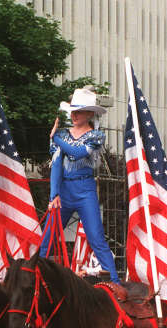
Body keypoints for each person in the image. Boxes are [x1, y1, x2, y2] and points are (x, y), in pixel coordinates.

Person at [39, 88, 119, 284]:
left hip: (85, 190)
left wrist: (55, 137)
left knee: (96, 238)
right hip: (64, 191)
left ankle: (115, 283)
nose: (74, 115)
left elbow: (77, 153)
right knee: (48, 236)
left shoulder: (96, 136)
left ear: (90, 114)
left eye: (79, 111)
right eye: (73, 111)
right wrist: (53, 195)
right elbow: (57, 163)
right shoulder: (65, 133)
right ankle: (36, 276)